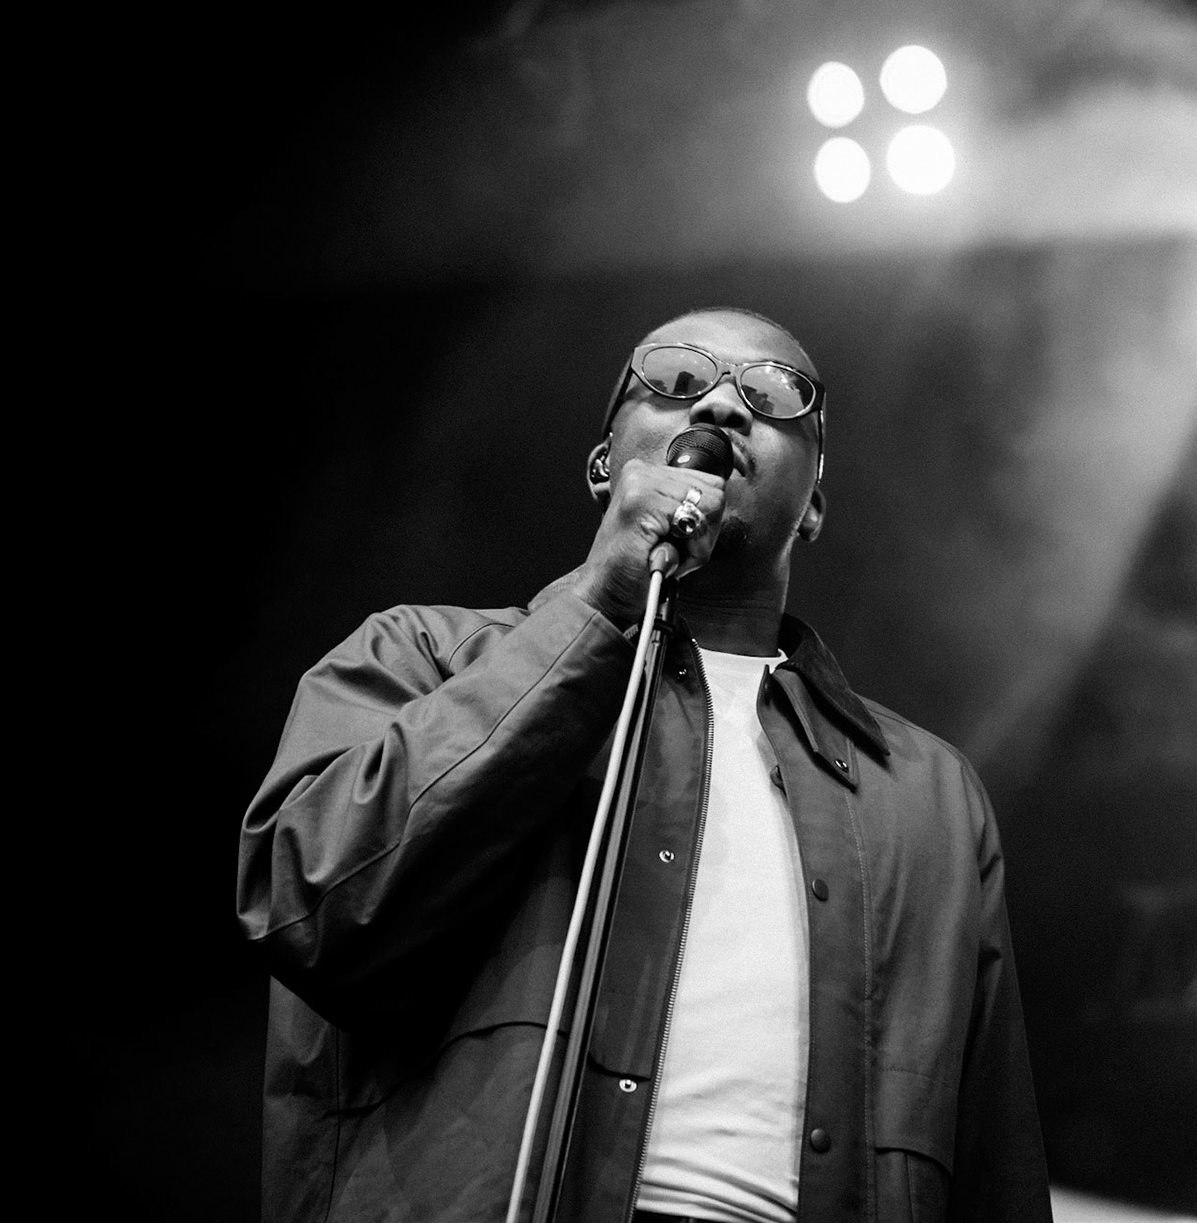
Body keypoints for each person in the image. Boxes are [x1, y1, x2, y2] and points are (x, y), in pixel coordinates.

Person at [237, 307, 1053, 1223]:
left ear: (816, 501)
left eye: (775, 395)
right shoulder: (421, 656)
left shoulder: (928, 794)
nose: (723, 405)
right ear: (604, 466)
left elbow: (996, 1166)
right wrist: (601, 600)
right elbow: (309, 899)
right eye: (673, 379)